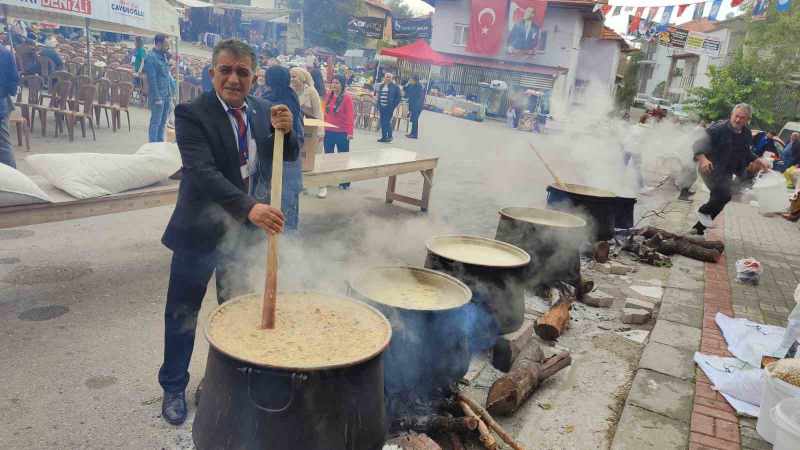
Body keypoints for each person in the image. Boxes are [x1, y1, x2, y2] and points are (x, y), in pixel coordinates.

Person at [158, 39, 299, 426]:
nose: (234, 79)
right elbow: (202, 173)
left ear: (253, 78)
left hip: (240, 236)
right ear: (212, 74)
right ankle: (173, 386)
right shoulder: (192, 113)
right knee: (182, 314)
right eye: (226, 70)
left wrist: (290, 130)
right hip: (198, 233)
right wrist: (249, 207)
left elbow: (281, 154)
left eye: (242, 72)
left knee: (233, 312)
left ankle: (220, 381)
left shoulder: (258, 110)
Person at [690, 104, 769, 235]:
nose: (738, 120)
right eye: (736, 116)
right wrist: (703, 159)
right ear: (731, 115)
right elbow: (698, 144)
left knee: (724, 197)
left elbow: (746, 152)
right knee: (723, 194)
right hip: (710, 168)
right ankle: (702, 212)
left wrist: (757, 160)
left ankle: (697, 230)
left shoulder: (746, 133)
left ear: (747, 119)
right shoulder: (718, 129)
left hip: (727, 171)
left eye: (742, 118)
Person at [256, 65, 305, 231]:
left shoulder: (269, 102)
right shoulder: (293, 98)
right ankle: (288, 253)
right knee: (288, 220)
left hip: (275, 171)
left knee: (273, 220)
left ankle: (276, 254)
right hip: (293, 168)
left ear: (269, 81)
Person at [320, 75, 354, 197]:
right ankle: (329, 179)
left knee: (342, 158)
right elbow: (323, 112)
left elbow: (350, 116)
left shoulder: (347, 98)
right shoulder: (328, 96)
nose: (334, 85)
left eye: (337, 83)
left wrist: (350, 133)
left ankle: (344, 181)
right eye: (333, 82)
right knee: (328, 157)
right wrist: (321, 129)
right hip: (328, 131)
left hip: (342, 132)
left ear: (343, 84)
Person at [290, 66, 323, 175]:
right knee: (300, 157)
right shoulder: (290, 91)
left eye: (294, 76)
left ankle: (321, 185)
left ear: (301, 78)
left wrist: (320, 132)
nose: (291, 79)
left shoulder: (311, 91)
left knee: (315, 157)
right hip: (298, 129)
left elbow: (318, 112)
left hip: (312, 129)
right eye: (290, 76)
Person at [143, 34, 173, 142]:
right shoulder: (151, 57)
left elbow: (166, 76)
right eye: (166, 44)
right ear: (159, 43)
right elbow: (152, 80)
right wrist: (157, 97)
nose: (168, 47)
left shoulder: (163, 56)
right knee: (156, 122)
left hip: (166, 95)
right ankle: (152, 147)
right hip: (158, 96)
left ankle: (160, 146)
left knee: (163, 123)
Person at [0, 44, 19, 168]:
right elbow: (14, 80)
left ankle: (13, 179)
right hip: (3, 100)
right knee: (3, 144)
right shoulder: (5, 52)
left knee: (3, 145)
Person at [375, 72, 401, 143]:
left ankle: (389, 136)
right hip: (381, 107)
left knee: (386, 122)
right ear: (384, 78)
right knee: (383, 122)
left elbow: (398, 98)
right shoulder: (381, 86)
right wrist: (378, 105)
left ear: (392, 78)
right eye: (387, 77)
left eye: (389, 77)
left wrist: (393, 105)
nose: (388, 78)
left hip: (389, 108)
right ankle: (384, 137)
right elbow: (378, 96)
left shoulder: (395, 87)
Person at [404, 74, 424, 139]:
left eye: (411, 79)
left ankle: (414, 135)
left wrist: (416, 106)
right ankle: (412, 133)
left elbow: (419, 97)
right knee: (413, 120)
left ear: (415, 80)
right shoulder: (411, 85)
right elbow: (406, 90)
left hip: (417, 105)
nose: (410, 80)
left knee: (415, 120)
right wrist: (407, 84)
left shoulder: (419, 86)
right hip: (413, 105)